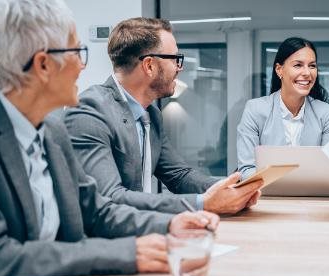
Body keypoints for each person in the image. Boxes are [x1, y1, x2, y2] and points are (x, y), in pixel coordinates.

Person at [0, 0, 219, 276]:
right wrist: (126, 253)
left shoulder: (51, 129)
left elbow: (96, 211)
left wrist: (169, 225)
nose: (83, 66)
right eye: (76, 52)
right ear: (44, 65)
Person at [63, 18, 262, 215]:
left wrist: (234, 187)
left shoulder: (150, 114)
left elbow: (178, 175)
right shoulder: (90, 111)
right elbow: (110, 197)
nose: (179, 67)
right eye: (175, 59)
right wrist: (203, 203)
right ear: (149, 66)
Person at [236, 37, 329, 180]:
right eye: (298, 65)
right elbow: (247, 170)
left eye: (312, 66)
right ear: (279, 70)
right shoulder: (255, 110)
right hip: (267, 197)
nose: (307, 73)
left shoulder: (324, 112)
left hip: (311, 197)